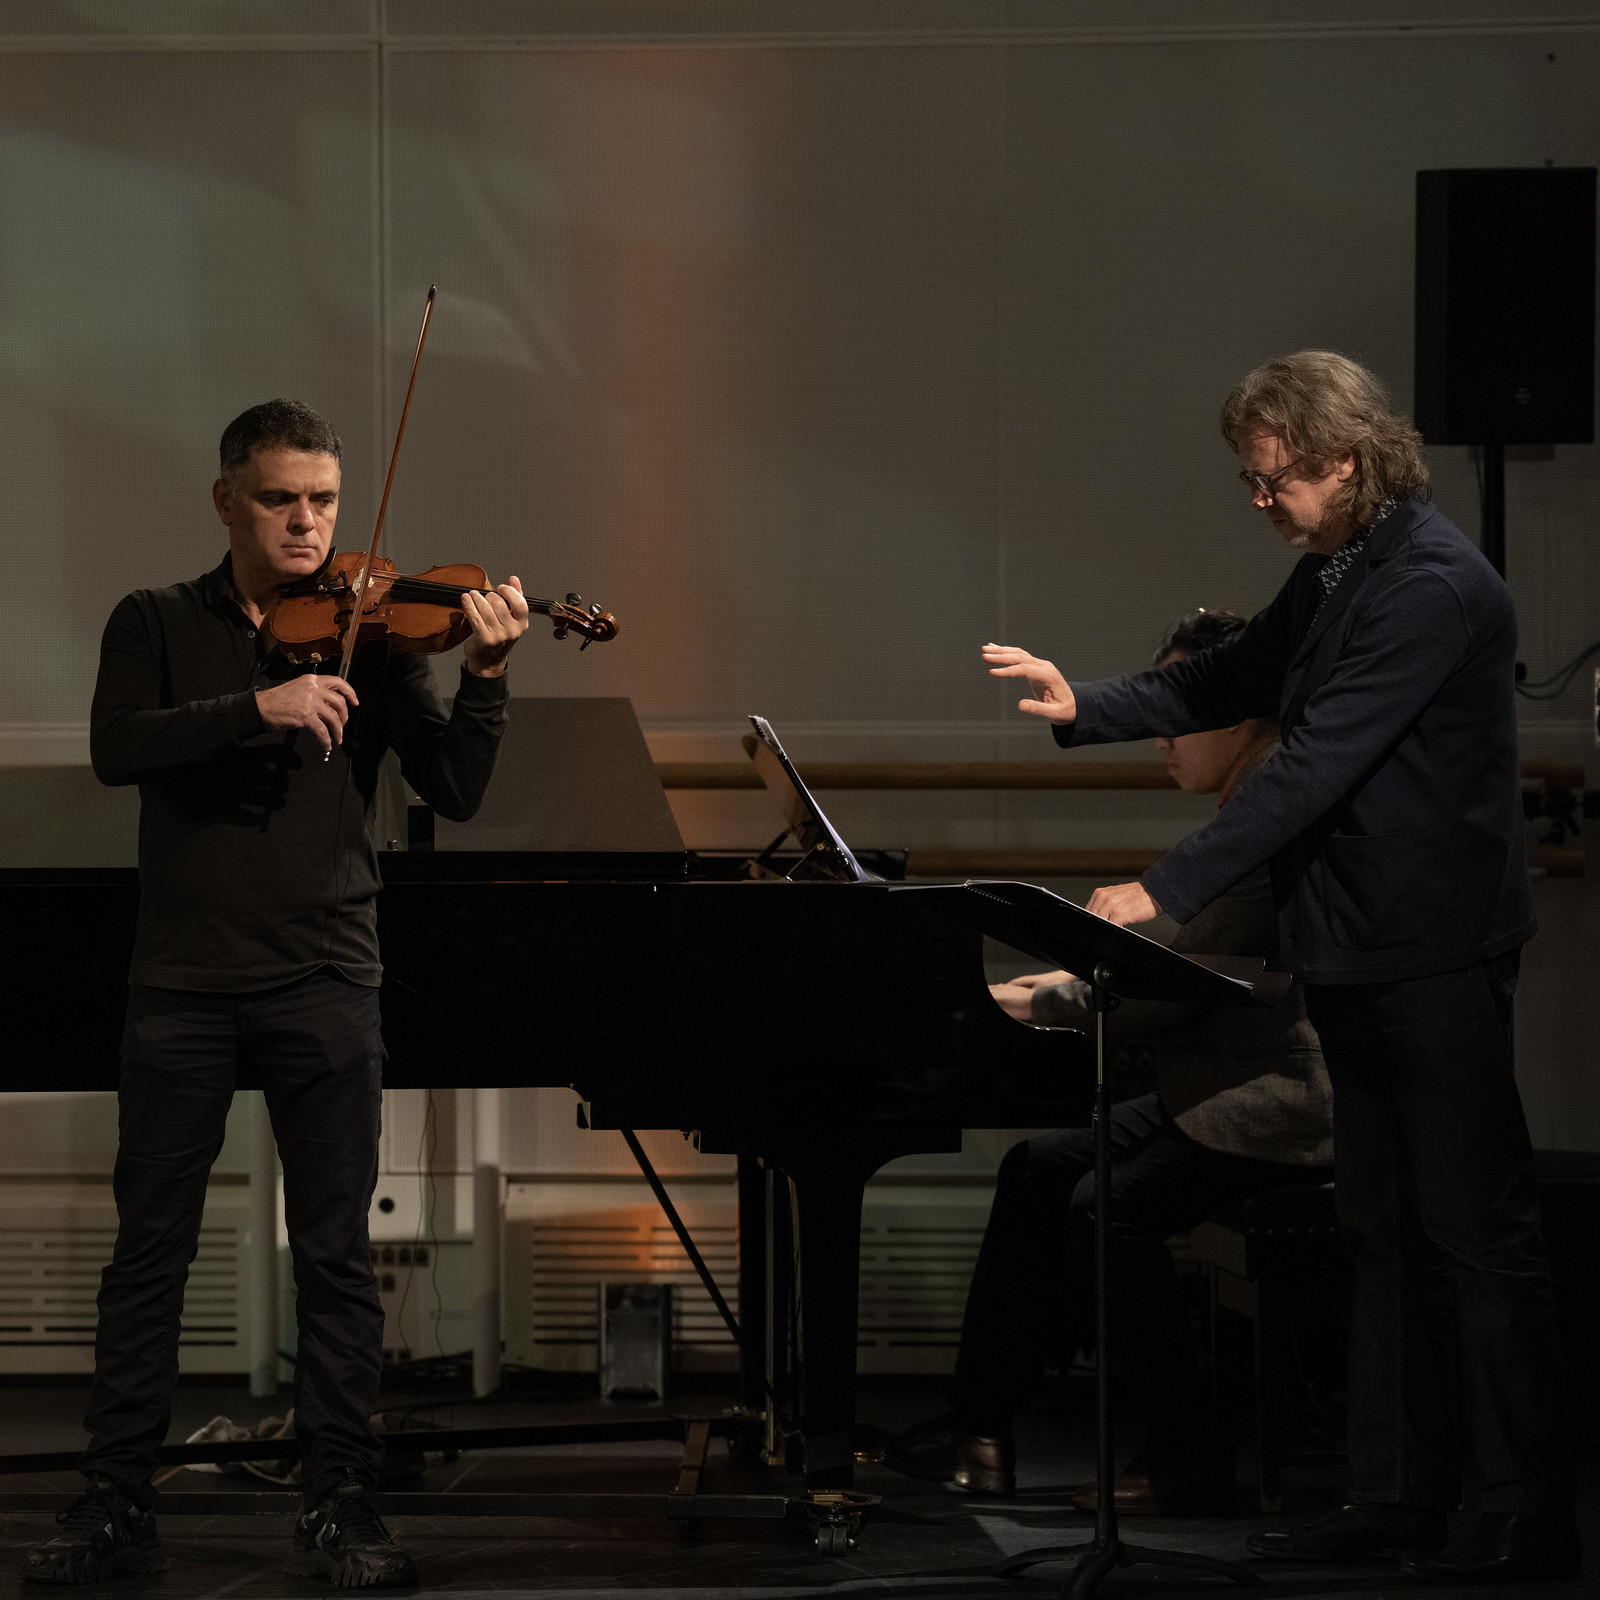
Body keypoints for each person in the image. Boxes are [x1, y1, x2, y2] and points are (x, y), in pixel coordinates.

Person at [981, 351, 1578, 1585]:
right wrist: (1084, 703)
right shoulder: (1339, 568)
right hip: (1352, 944)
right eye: (1250, 483)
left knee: (1472, 1232)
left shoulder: (1430, 586)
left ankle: (1521, 1506)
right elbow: (1231, 675)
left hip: (1434, 949)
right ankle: (1394, 1495)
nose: (1262, 503)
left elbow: (1315, 762)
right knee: (1381, 1231)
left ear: (1346, 461)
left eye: (1275, 481)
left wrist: (1168, 885)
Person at [24, 400, 529, 1588]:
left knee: (338, 1254)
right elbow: (116, 744)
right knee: (150, 1249)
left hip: (327, 973)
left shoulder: (377, 634)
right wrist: (259, 706)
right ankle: (114, 1497)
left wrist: (488, 674)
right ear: (226, 501)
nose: (307, 523)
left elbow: (454, 789)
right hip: (182, 981)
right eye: (279, 499)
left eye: (324, 501)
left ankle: (340, 1500)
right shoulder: (153, 618)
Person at [950, 607, 1333, 1515]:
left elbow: (1181, 983)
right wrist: (1039, 988)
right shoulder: (1253, 794)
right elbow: (1185, 961)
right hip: (1222, 1081)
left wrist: (1027, 999)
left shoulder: (1273, 803)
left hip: (1280, 1098)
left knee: (1104, 1209)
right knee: (1038, 1168)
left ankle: (1186, 1460)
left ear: (1241, 712)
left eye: (1180, 709)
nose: (1161, 733)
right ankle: (982, 1425)